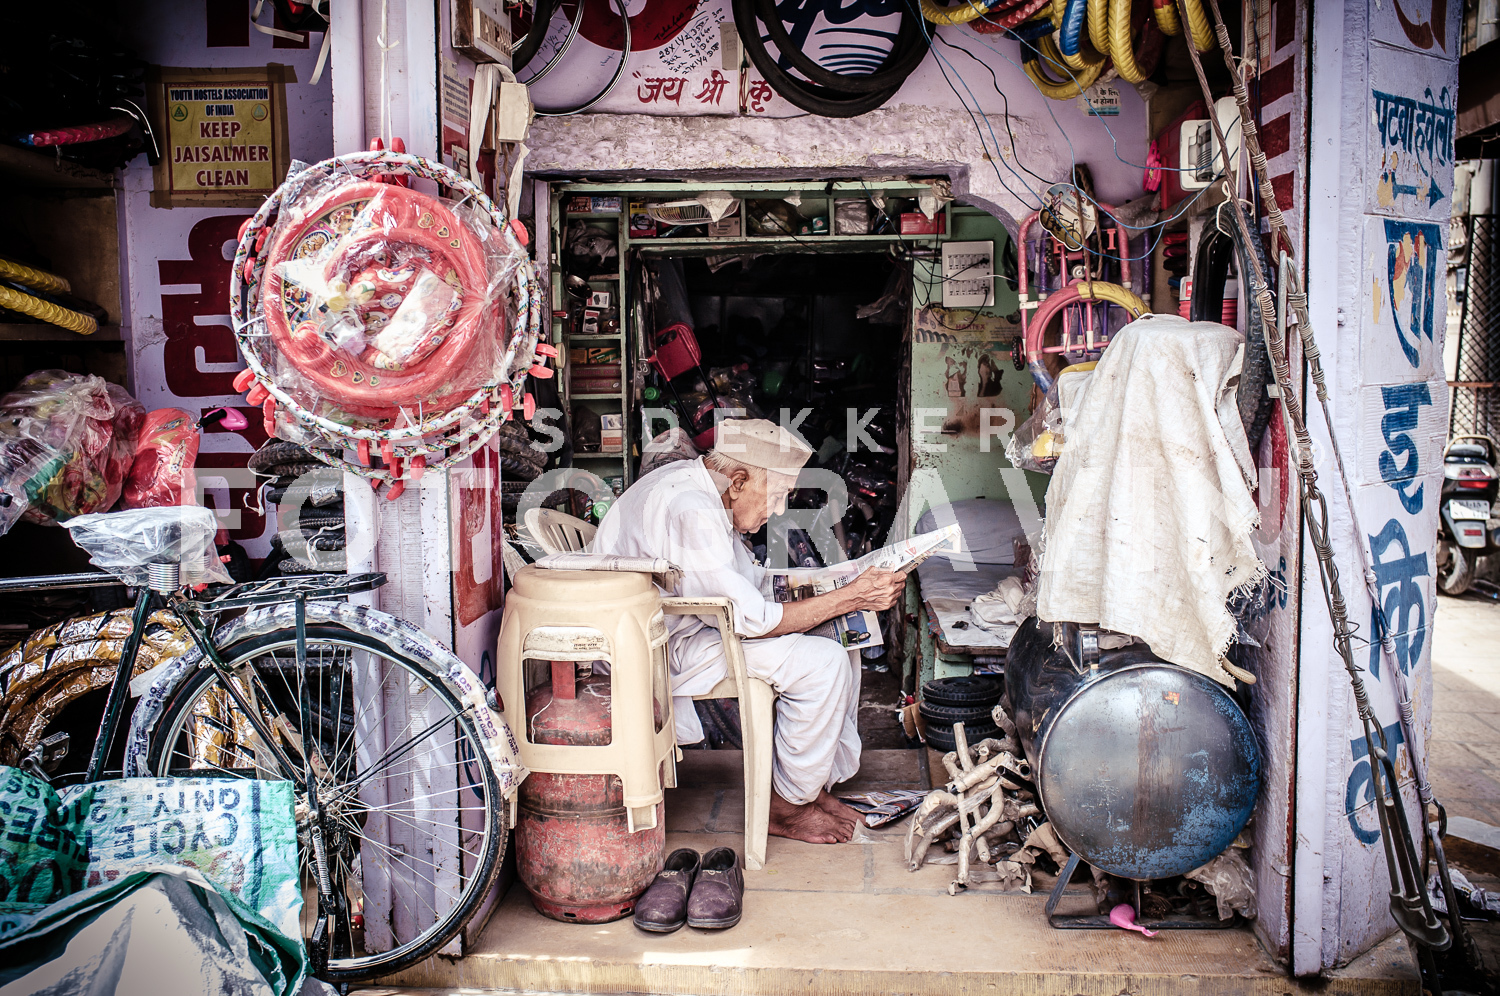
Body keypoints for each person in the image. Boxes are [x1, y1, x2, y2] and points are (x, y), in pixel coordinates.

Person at [590, 418, 907, 844]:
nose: (778, 510)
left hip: (680, 626)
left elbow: (739, 584)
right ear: (738, 481)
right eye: (776, 496)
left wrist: (842, 584)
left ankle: (810, 789)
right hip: (655, 646)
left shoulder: (701, 486)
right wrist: (851, 597)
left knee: (842, 641)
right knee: (824, 663)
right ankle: (787, 807)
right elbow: (750, 620)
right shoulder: (692, 509)